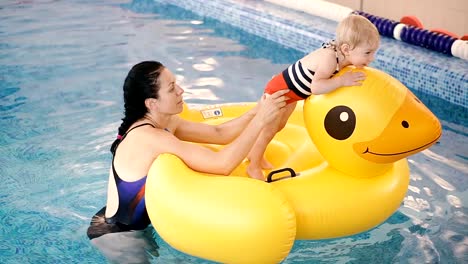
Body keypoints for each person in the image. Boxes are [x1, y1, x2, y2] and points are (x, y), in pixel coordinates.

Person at [87, 61, 288, 263]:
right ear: (152, 103)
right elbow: (222, 164)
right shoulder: (148, 137)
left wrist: (257, 110)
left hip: (132, 223)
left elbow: (220, 134)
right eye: (172, 88)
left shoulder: (166, 122)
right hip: (118, 234)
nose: (181, 91)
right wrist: (261, 120)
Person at [246, 14, 381, 180]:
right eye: (367, 53)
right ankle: (253, 166)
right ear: (346, 49)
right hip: (279, 92)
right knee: (269, 130)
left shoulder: (343, 56)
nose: (371, 58)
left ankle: (255, 154)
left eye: (373, 52)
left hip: (291, 93)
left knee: (278, 126)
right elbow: (316, 87)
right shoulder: (330, 59)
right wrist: (342, 81)